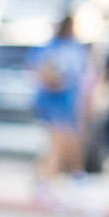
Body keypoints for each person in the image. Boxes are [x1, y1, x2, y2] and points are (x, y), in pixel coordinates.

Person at [32, 13, 91, 205]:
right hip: (54, 104)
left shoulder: (75, 48)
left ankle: (69, 180)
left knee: (71, 145)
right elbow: (42, 73)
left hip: (70, 105)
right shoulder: (53, 48)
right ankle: (45, 185)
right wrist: (56, 81)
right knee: (58, 145)